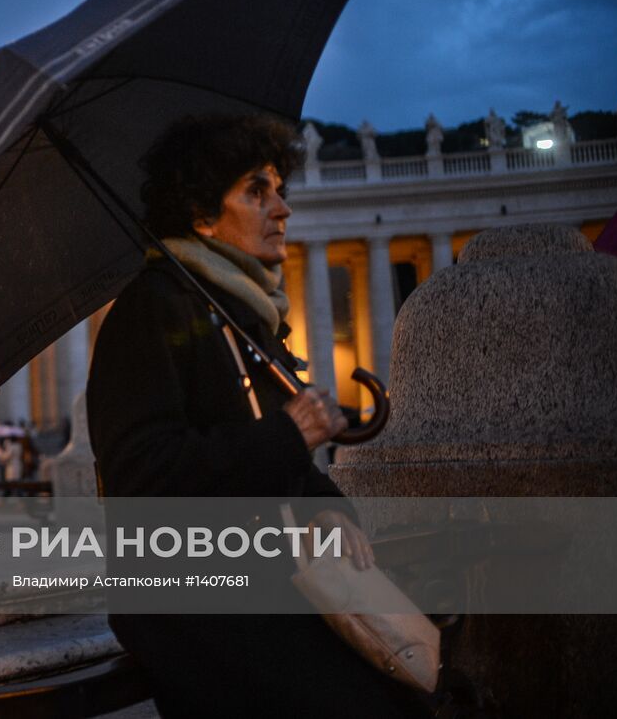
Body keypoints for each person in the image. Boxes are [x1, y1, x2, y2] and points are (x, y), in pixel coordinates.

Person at [85, 114, 430, 718]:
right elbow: (139, 477)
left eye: (279, 189)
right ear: (200, 214)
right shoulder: (150, 310)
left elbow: (286, 467)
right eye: (256, 190)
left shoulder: (243, 314)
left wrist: (326, 506)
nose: (282, 209)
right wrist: (287, 432)